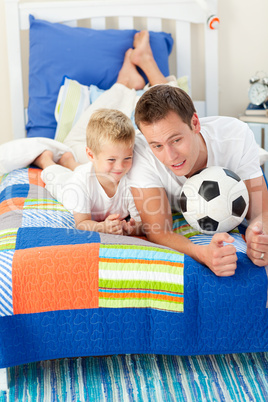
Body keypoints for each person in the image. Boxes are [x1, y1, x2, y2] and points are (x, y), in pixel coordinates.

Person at [127, 84, 268, 276]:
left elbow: (262, 212)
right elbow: (159, 231)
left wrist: (258, 233)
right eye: (157, 146)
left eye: (176, 140)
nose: (170, 157)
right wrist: (202, 254)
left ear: (195, 123)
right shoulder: (141, 152)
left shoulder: (236, 135)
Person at [34, 109, 143, 236]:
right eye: (112, 159)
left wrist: (132, 229)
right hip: (69, 185)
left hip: (92, 170)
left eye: (127, 158)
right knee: (57, 176)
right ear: (91, 155)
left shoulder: (132, 180)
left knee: (87, 169)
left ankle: (68, 161)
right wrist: (102, 227)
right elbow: (81, 223)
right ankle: (45, 160)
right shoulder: (79, 183)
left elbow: (141, 223)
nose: (120, 167)